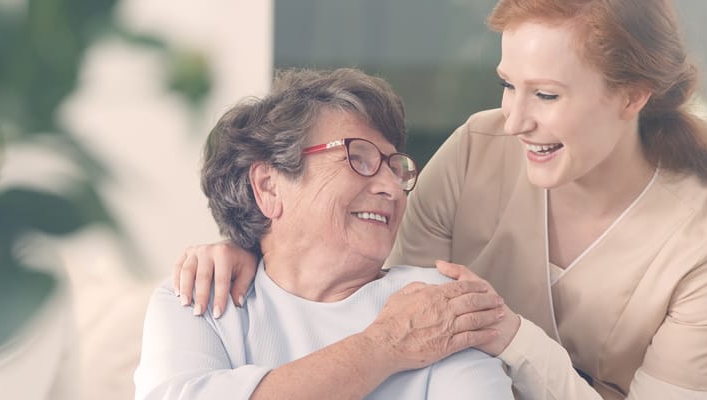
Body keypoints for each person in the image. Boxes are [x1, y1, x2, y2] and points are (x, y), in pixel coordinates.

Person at [170, 0, 707, 399]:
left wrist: (512, 337)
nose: (514, 119)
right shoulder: (480, 146)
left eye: (546, 95)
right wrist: (256, 246)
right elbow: (376, 293)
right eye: (508, 84)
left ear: (632, 96)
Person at [134, 68, 515, 399]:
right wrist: (384, 345)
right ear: (268, 187)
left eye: (393, 167)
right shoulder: (200, 298)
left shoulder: (437, 304)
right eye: (358, 158)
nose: (392, 188)